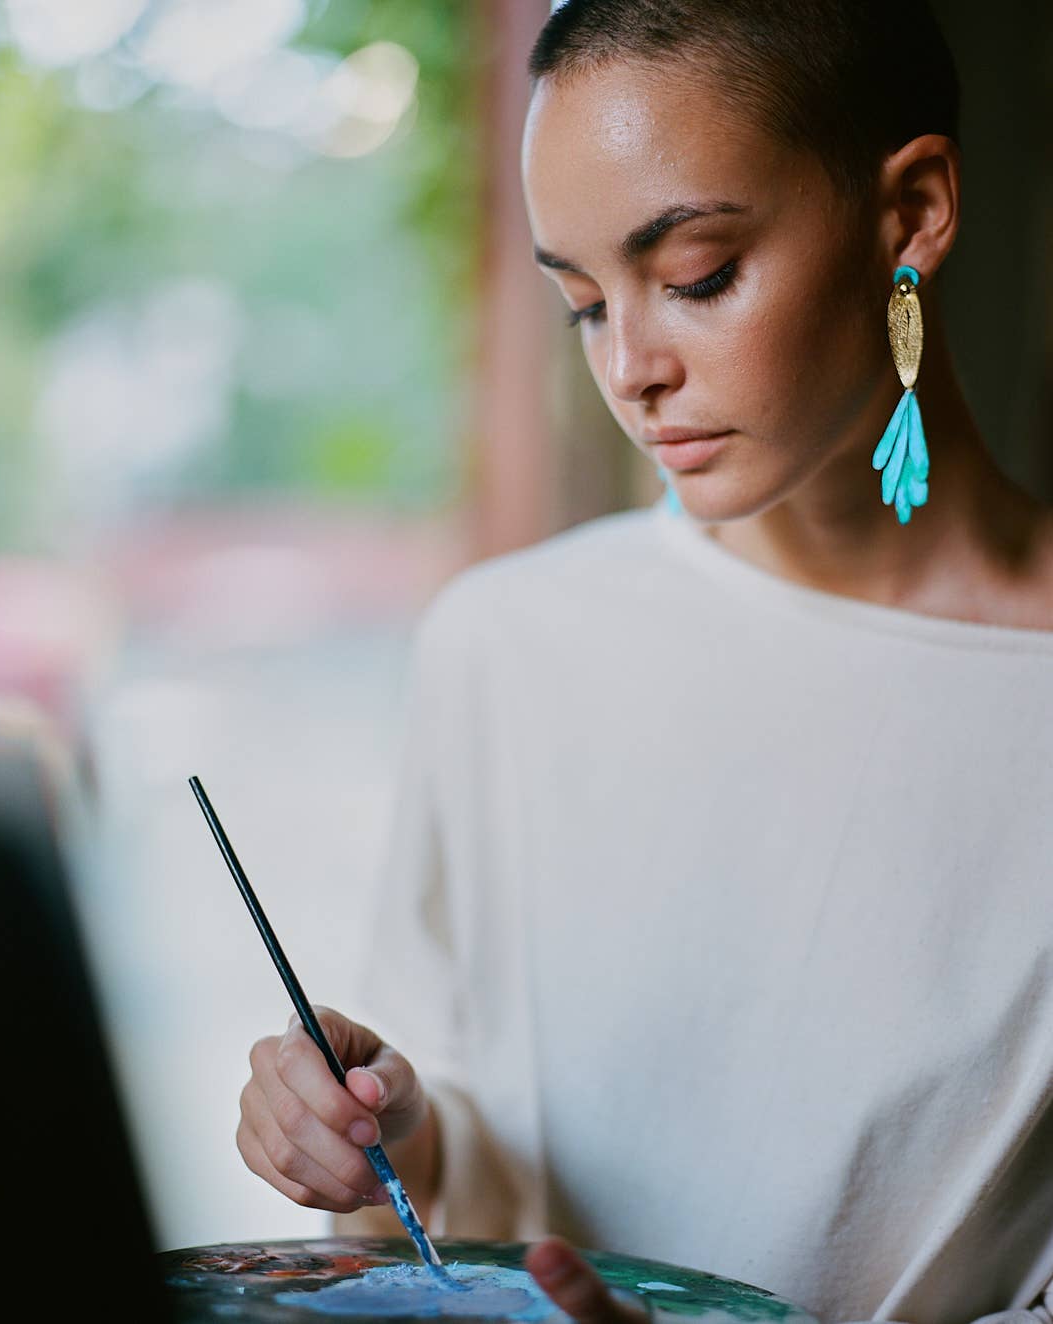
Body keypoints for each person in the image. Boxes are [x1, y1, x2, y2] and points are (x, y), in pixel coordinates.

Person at [235, 3, 1053, 1322]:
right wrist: (377, 1128)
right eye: (580, 306)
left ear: (909, 215)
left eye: (698, 275)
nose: (632, 368)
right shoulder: (505, 648)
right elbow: (445, 1164)